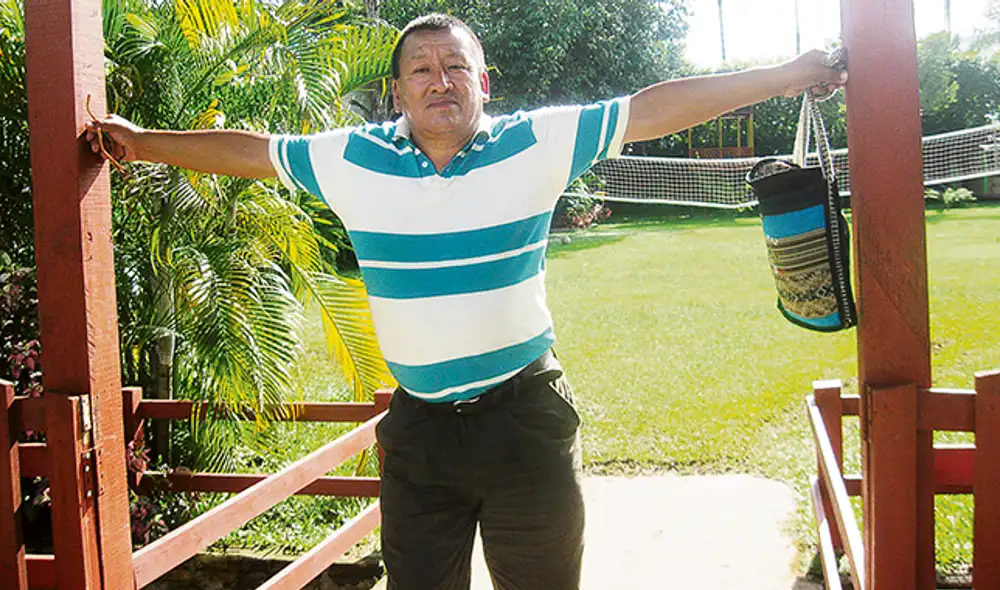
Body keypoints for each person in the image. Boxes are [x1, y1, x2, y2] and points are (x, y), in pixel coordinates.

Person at [86, 13, 846, 590]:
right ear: (397, 90)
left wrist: (783, 76)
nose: (439, 80)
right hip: (419, 436)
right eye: (420, 69)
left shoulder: (536, 141)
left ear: (485, 83)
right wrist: (140, 141)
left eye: (457, 66)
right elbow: (250, 152)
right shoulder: (350, 159)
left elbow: (651, 108)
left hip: (525, 422)